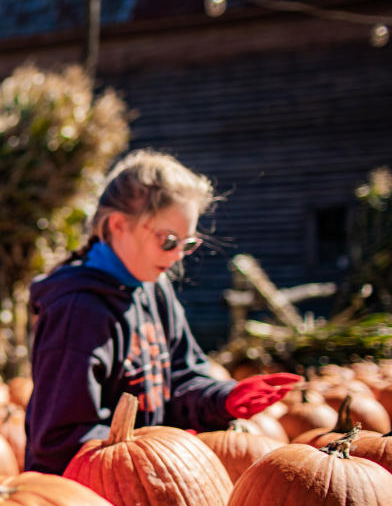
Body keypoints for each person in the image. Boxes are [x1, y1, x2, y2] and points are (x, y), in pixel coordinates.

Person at [24, 149, 300, 475]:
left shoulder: (154, 287)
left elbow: (182, 379)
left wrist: (222, 398)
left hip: (145, 479)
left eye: (187, 244)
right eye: (168, 241)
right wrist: (152, 457)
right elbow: (60, 441)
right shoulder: (78, 311)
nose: (178, 256)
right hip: (87, 501)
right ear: (118, 225)